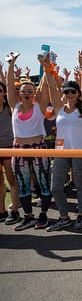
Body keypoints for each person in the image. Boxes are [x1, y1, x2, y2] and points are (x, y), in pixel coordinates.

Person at [44, 51, 82, 231]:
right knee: (55, 187)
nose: (69, 94)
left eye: (73, 91)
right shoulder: (59, 108)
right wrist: (47, 68)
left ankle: (80, 215)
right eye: (66, 91)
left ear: (78, 94)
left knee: (79, 184)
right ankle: (64, 216)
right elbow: (50, 86)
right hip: (61, 151)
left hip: (80, 151)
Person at [6, 52, 52, 231]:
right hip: (18, 149)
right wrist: (11, 65)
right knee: (23, 185)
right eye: (23, 91)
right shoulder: (14, 106)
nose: (26, 93)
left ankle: (44, 215)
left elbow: (46, 87)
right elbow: (10, 86)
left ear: (34, 94)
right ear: (19, 94)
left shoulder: (39, 107)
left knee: (43, 184)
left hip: (38, 147)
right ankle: (28, 216)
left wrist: (46, 67)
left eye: (30, 91)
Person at [0, 81, 20, 225]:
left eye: (0, 90)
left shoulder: (9, 108)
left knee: (12, 181)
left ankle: (15, 210)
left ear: (4, 93)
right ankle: (1, 212)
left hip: (9, 147)